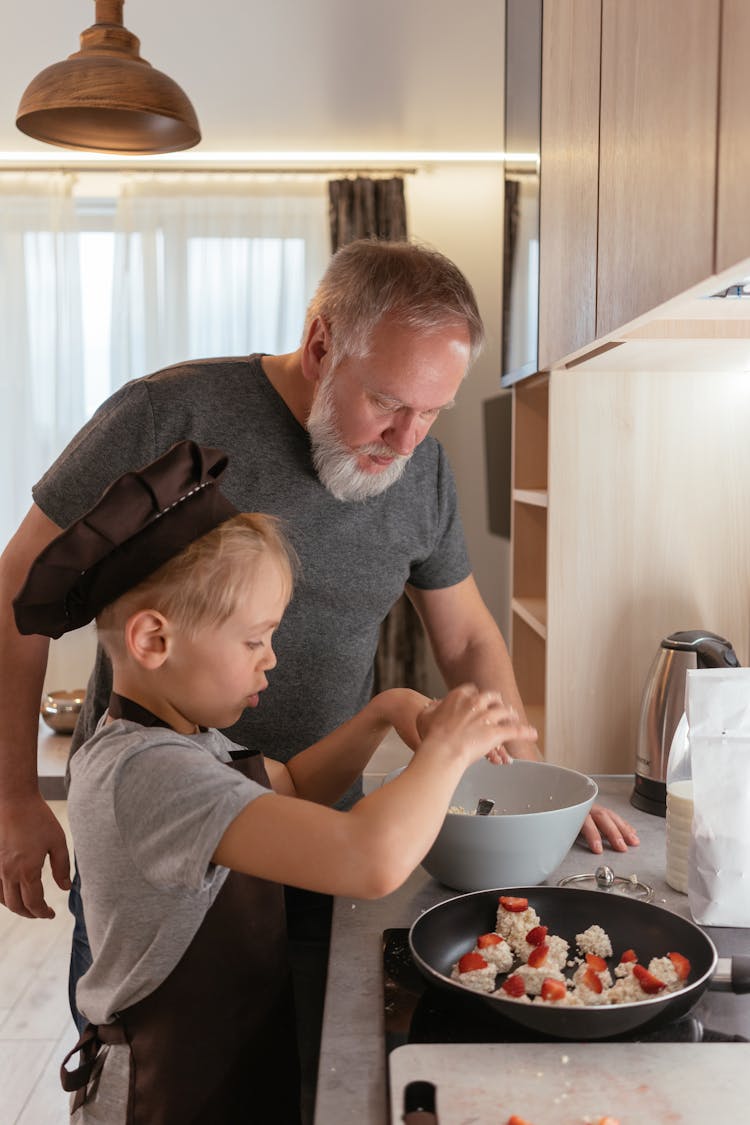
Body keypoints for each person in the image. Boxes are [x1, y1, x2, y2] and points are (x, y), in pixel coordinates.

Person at [0, 238, 638, 1116]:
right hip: (176, 866)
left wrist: (533, 793)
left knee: (284, 1073)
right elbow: (17, 593)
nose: (407, 438)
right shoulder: (166, 414)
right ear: (320, 344)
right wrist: (12, 795)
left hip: (310, 828)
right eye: (386, 402)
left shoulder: (419, 465)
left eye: (433, 411)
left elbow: (470, 639)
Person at [13, 439, 537, 1123]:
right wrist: (447, 749)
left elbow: (284, 787)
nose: (272, 659)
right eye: (255, 638)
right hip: (162, 1099)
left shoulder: (179, 737)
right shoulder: (148, 772)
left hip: (219, 1081)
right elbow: (368, 858)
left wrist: (383, 710)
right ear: (152, 641)